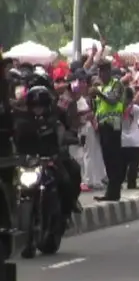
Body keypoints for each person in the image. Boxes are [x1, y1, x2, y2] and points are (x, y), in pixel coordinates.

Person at [12, 83, 77, 220]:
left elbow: (66, 133)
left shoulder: (56, 117)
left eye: (40, 106)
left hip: (50, 160)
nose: (37, 109)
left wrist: (65, 141)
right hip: (28, 163)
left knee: (68, 178)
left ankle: (67, 210)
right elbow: (16, 139)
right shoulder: (22, 120)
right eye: (35, 106)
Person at [92, 60, 125, 201]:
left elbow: (113, 101)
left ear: (109, 71)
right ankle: (110, 191)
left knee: (114, 158)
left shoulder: (116, 84)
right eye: (99, 72)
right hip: (103, 126)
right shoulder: (102, 87)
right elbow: (99, 108)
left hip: (114, 125)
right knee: (107, 159)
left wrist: (99, 94)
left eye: (103, 71)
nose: (101, 74)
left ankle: (114, 192)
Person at [121, 87, 139, 190]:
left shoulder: (118, 108)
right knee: (133, 164)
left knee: (122, 163)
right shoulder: (135, 108)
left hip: (122, 139)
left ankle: (119, 183)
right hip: (135, 140)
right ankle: (132, 184)